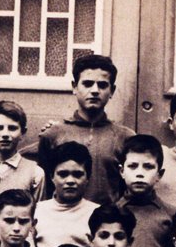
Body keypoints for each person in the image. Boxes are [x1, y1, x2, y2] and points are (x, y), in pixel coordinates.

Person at [36, 54, 135, 204]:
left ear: (112, 91)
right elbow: (44, 187)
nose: (95, 90)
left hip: (109, 222)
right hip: (64, 220)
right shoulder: (53, 135)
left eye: (102, 85)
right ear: (74, 87)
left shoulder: (126, 137)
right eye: (87, 84)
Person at [116, 135, 175, 247]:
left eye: (148, 166)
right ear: (122, 171)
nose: (140, 173)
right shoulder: (111, 213)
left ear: (159, 174)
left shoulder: (171, 215)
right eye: (133, 166)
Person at [33, 141, 100, 247]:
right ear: (52, 176)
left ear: (87, 178)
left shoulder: (98, 213)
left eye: (77, 174)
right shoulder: (36, 211)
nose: (70, 181)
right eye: (63, 174)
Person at [0, 100, 45, 203]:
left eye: (12, 128)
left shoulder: (35, 173)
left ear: (22, 132)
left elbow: (38, 213)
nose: (5, 134)